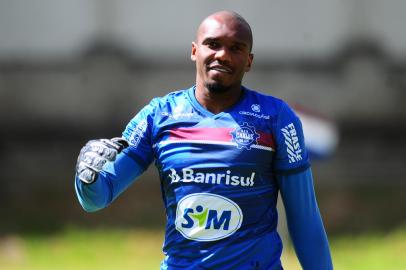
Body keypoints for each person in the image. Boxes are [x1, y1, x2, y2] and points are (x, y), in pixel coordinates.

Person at [75, 10, 333, 270]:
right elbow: (96, 198)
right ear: (194, 51)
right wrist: (87, 176)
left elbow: (305, 219)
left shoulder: (277, 117)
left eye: (236, 47)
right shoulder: (159, 115)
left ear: (249, 61)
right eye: (213, 44)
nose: (222, 54)